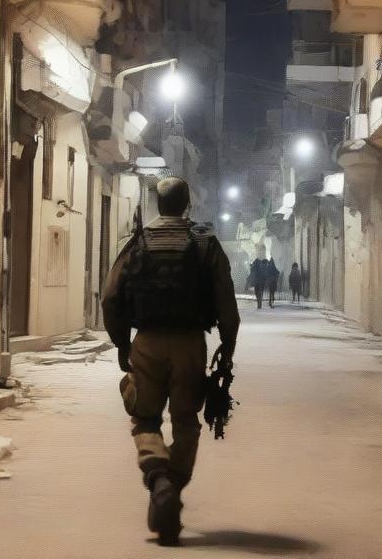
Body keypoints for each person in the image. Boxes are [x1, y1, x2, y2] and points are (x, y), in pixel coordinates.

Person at [102, 177, 241, 547]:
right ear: (187, 205)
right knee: (185, 421)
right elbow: (227, 304)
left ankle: (156, 476)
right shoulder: (204, 243)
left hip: (146, 341)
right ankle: (173, 486)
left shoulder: (137, 242)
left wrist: (120, 343)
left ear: (158, 205)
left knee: (145, 417)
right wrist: (227, 349)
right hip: (191, 344)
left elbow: (111, 297)